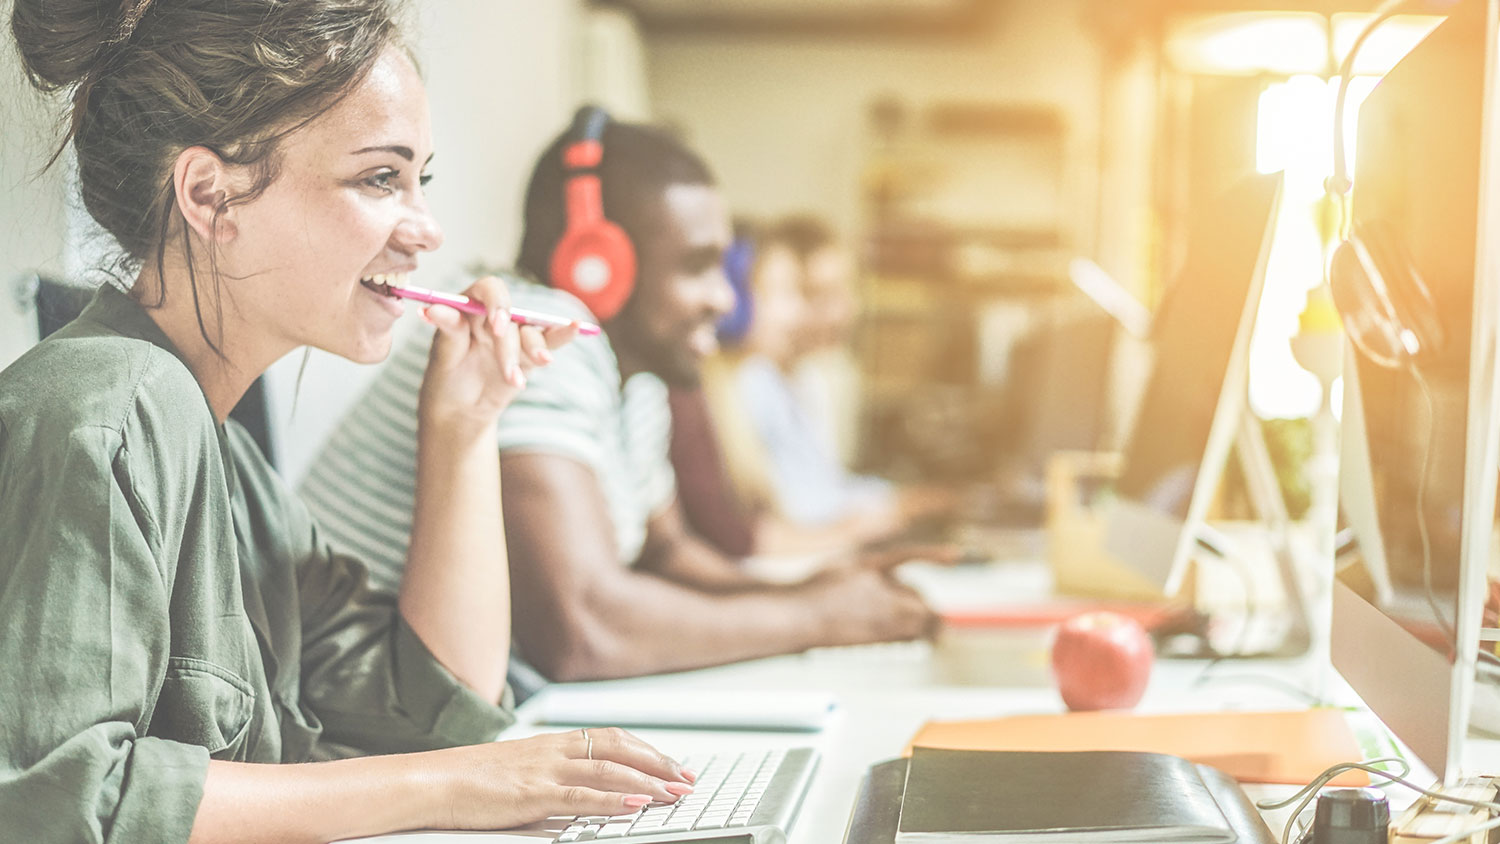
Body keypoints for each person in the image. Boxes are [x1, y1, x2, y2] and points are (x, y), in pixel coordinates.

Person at [0, 2, 694, 841]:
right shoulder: (110, 406)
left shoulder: (223, 454)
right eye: (379, 178)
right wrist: (451, 786)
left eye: (420, 180)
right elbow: (65, 802)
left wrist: (464, 426)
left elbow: (439, 708)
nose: (425, 230)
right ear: (211, 196)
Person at [300, 109, 938, 683]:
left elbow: (665, 554)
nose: (723, 298)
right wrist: (817, 618)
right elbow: (582, 630)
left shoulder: (630, 371)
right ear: (593, 264)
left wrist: (811, 592)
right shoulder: (530, 329)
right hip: (341, 700)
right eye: (696, 266)